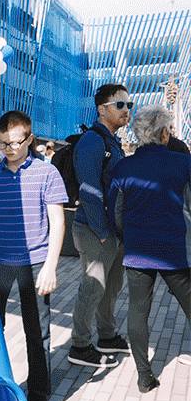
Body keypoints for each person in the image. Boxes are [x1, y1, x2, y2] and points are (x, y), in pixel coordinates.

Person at [0, 110, 67, 401]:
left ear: (30, 138)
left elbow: (57, 222)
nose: (9, 149)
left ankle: (38, 396)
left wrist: (51, 266)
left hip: (35, 262)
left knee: (37, 333)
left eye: (15, 143)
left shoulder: (47, 173)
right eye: (2, 144)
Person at [107, 104, 191, 393]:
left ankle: (144, 375)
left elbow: (115, 211)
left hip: (137, 250)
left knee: (138, 310)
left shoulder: (124, 166)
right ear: (165, 133)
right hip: (174, 251)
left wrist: (126, 234)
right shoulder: (184, 164)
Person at [68, 83, 132, 368]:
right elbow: (89, 191)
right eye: (120, 105)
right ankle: (80, 346)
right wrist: (104, 232)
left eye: (129, 105)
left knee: (111, 288)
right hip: (95, 230)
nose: (126, 110)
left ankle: (107, 336)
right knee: (93, 288)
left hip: (112, 231)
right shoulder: (93, 141)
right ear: (101, 109)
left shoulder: (112, 141)